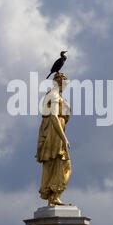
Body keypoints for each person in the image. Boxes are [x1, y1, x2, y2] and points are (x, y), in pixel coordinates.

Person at [36, 72, 71, 206]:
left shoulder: (54, 95)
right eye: (65, 83)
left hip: (54, 131)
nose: (66, 86)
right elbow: (54, 117)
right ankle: (54, 194)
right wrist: (64, 138)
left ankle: (53, 195)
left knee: (56, 162)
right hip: (54, 133)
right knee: (63, 163)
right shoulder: (55, 95)